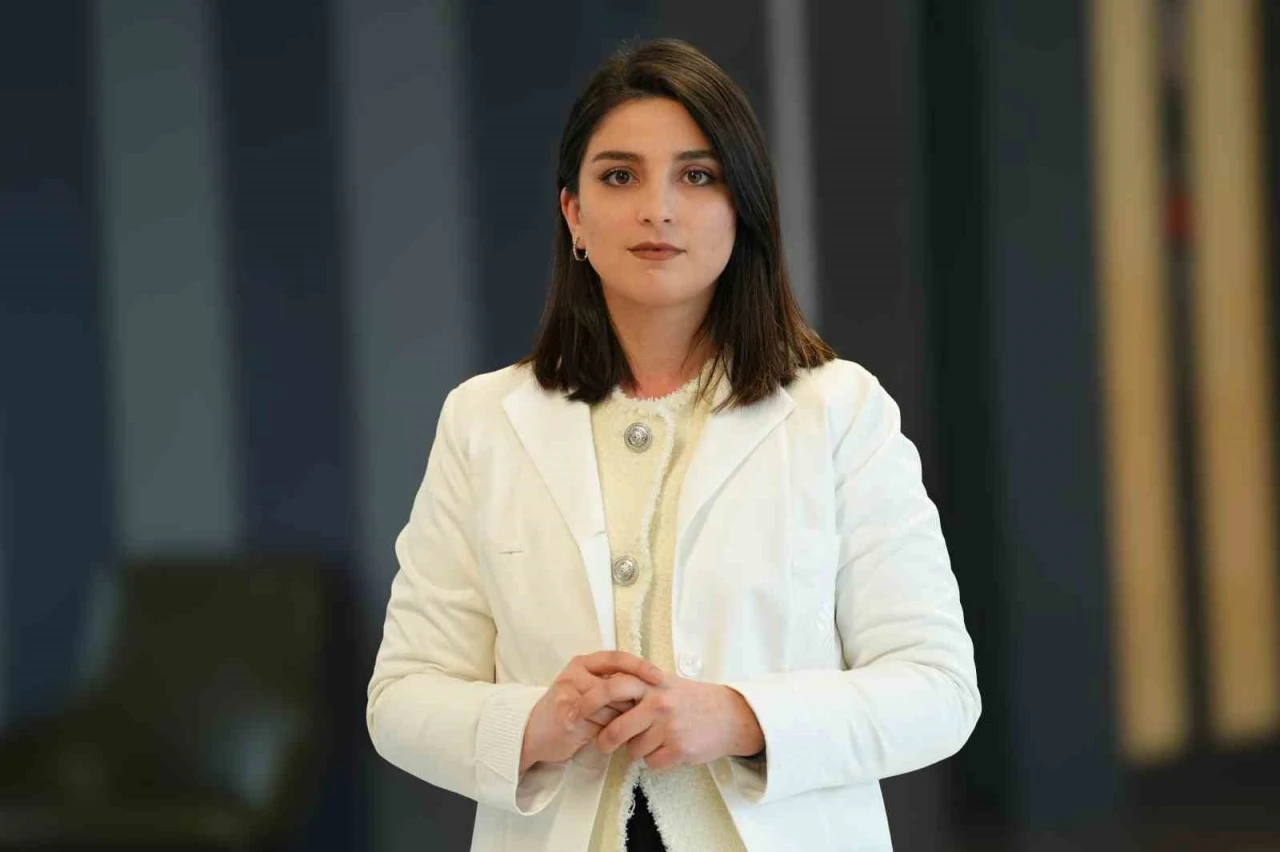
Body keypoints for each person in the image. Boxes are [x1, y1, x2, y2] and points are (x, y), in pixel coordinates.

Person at [366, 38, 980, 852]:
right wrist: (535, 722)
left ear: (742, 209)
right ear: (573, 214)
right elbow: (401, 698)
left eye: (698, 176)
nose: (658, 209)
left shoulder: (839, 411)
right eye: (619, 177)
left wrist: (740, 717)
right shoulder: (482, 420)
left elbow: (939, 690)